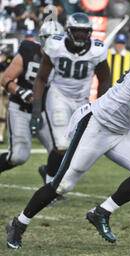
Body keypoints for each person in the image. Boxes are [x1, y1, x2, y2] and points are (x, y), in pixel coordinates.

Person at [5, 42, 130, 249]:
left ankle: (101, 212)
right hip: (97, 124)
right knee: (62, 185)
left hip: (120, 132)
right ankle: (18, 224)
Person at [31, 12, 111, 191]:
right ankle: (50, 186)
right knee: (61, 144)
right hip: (58, 95)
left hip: (82, 100)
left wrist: (100, 106)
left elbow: (105, 79)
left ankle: (48, 172)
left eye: (85, 31)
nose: (81, 35)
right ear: (69, 30)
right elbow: (41, 78)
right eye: (77, 31)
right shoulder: (56, 45)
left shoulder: (96, 50)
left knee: (75, 148)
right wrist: (36, 109)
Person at [0, 21, 63, 175]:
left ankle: (51, 188)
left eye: (58, 38)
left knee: (61, 152)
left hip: (44, 111)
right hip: (21, 108)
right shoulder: (29, 50)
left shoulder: (63, 58)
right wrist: (21, 91)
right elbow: (5, 79)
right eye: (51, 38)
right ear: (43, 38)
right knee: (18, 156)